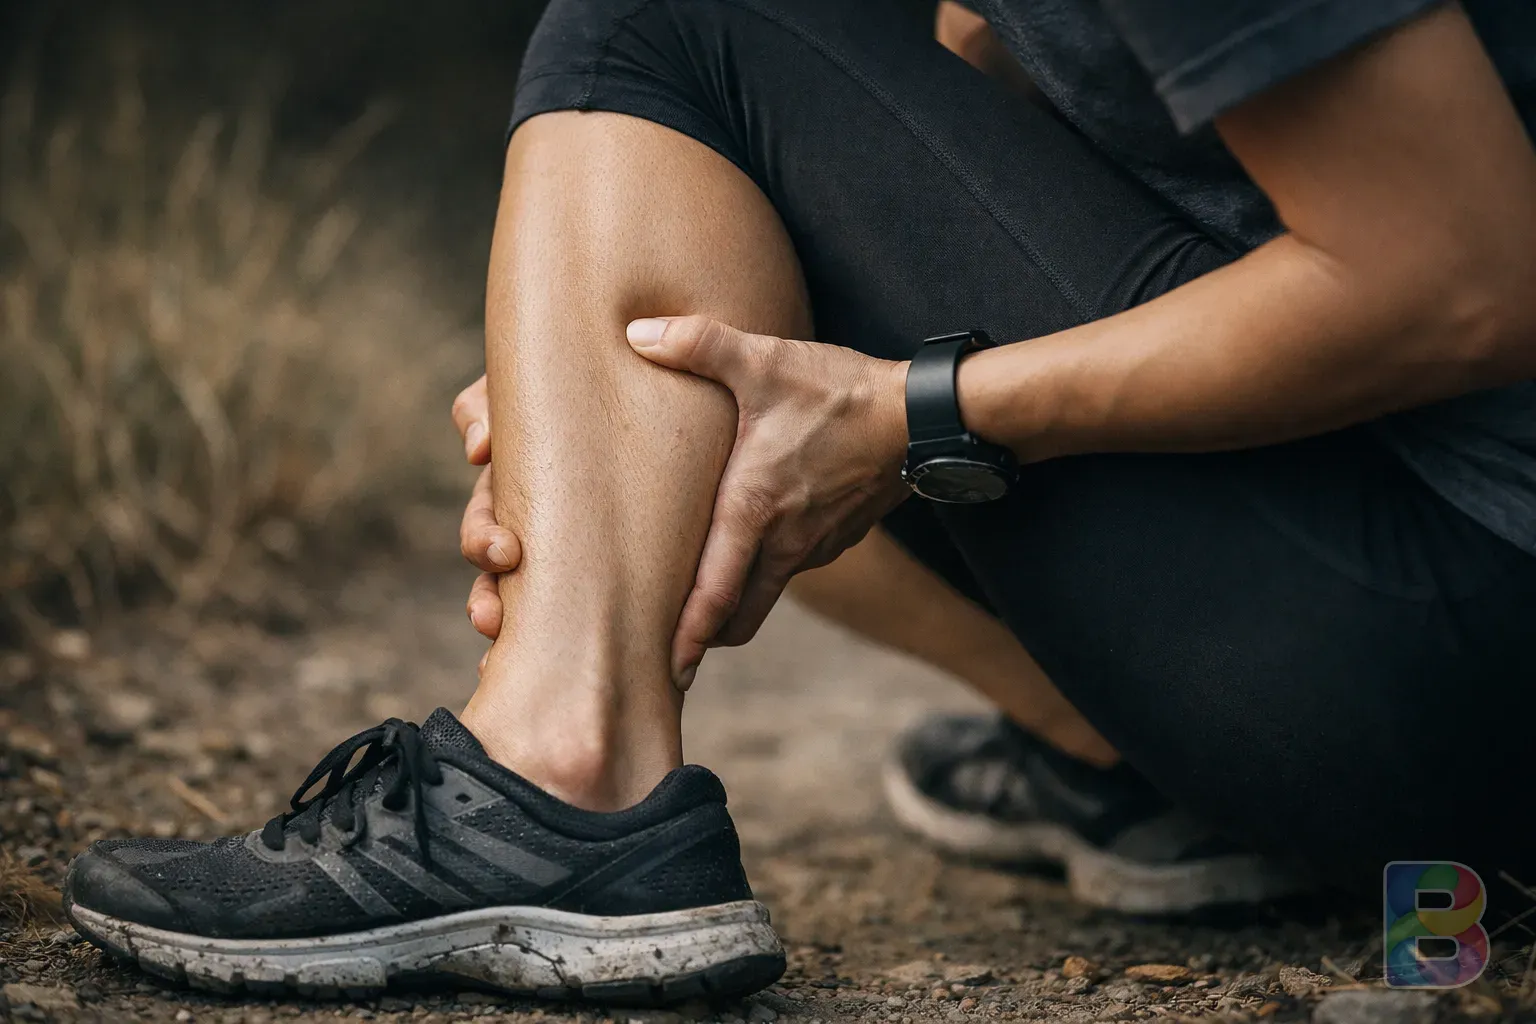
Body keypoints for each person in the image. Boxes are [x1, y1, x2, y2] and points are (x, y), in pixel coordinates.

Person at [63, 0, 1536, 1005]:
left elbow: (1463, 281)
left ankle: (559, 776)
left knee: (655, 21)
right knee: (711, 344)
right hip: (1410, 673)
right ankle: (1125, 763)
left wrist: (923, 413)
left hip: (1457, 657)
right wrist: (583, 369)